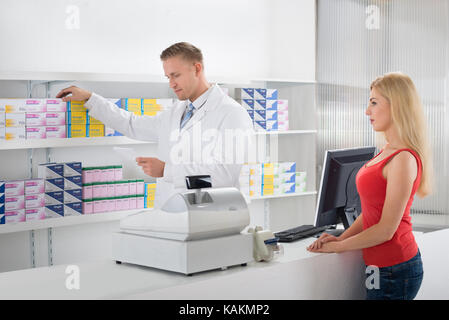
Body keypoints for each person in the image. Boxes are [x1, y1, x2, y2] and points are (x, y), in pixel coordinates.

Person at [56, 42, 254, 207]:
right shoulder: (177, 111)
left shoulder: (231, 113)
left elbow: (226, 175)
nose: (171, 84)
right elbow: (132, 124)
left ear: (197, 68)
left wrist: (167, 170)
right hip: (171, 214)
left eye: (176, 75)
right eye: (168, 77)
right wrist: (91, 99)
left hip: (209, 217)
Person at [307, 72, 433, 300]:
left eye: (374, 103)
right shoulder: (387, 150)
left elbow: (386, 230)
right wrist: (342, 238)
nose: (367, 111)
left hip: (396, 267)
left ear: (397, 106)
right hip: (381, 266)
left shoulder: (403, 159)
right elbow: (371, 213)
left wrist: (338, 248)